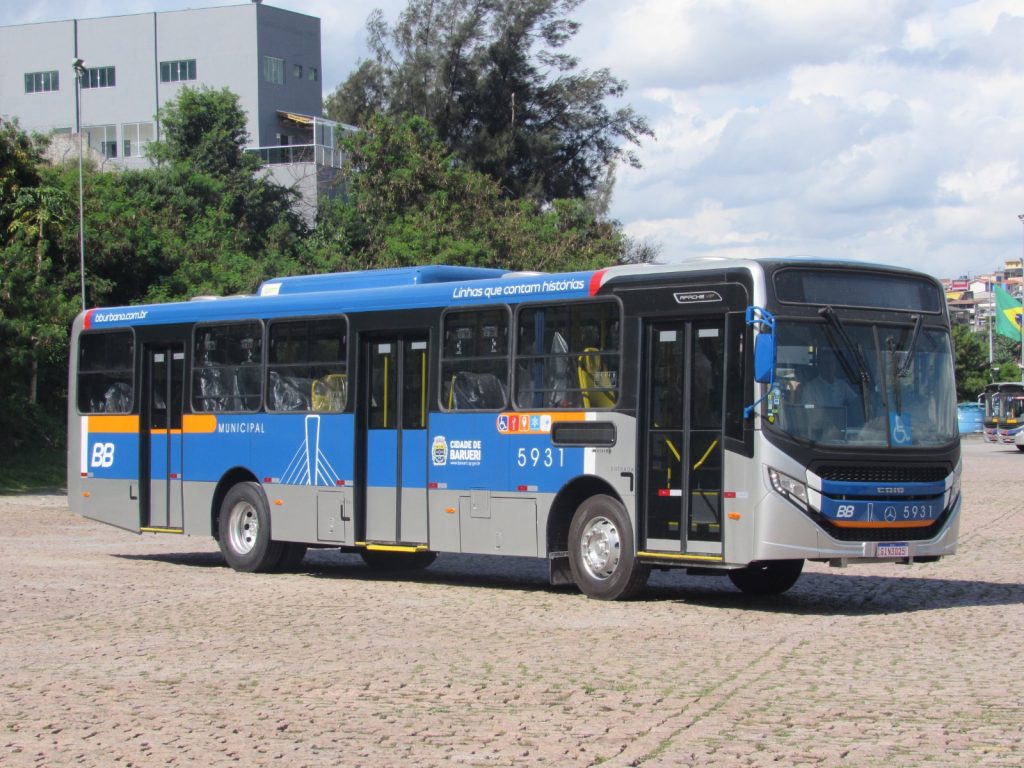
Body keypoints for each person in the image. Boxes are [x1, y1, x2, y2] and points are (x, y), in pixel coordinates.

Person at [795, 351, 858, 441]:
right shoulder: (810, 387)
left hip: (840, 431)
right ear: (819, 366)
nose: (829, 366)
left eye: (831, 363)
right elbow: (808, 413)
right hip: (818, 434)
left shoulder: (842, 385)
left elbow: (856, 402)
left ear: (835, 365)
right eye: (825, 363)